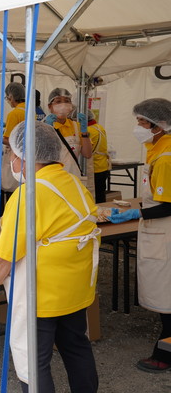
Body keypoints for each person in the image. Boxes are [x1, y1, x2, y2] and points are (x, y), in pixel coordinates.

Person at [0, 121, 100, 393]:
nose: (11, 161)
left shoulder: (29, 193)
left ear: (23, 157)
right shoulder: (72, 181)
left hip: (41, 295)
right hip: (75, 289)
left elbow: (7, 253)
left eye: (12, 154)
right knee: (76, 348)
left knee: (33, 363)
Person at [108, 98, 171, 373]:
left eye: (142, 122)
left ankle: (165, 355)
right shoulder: (157, 148)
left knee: (167, 301)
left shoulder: (167, 158)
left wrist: (138, 213)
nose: (138, 127)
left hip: (165, 235)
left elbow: (169, 204)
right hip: (159, 233)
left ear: (158, 125)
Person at [43, 88, 92, 178]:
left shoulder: (76, 127)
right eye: (58, 101)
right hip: (52, 178)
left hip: (73, 177)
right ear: (50, 107)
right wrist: (47, 129)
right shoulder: (43, 127)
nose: (63, 105)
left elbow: (87, 154)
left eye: (67, 101)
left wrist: (84, 132)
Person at [86, 110, 110, 203]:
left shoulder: (88, 131)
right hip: (103, 166)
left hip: (93, 167)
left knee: (93, 197)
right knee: (101, 194)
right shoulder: (99, 127)